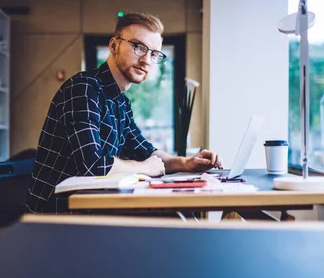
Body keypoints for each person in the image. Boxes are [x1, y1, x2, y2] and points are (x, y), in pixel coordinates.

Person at [26, 12, 222, 213]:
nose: (146, 60)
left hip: (94, 209)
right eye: (138, 47)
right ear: (113, 46)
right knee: (173, 218)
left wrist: (186, 163)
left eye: (154, 54)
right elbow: (92, 165)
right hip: (56, 215)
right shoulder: (83, 88)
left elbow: (146, 151)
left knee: (176, 216)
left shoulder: (121, 103)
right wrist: (144, 168)